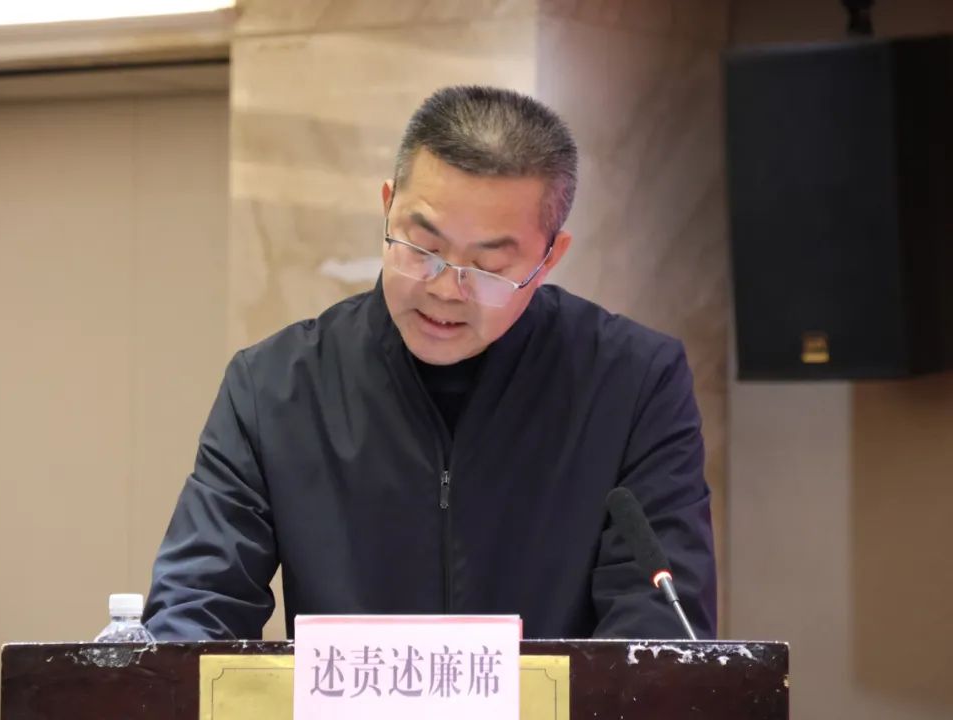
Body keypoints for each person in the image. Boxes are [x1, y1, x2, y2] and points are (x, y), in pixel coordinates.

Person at [143, 85, 717, 640]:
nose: (445, 290)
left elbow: (657, 629)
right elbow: (197, 605)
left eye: (488, 268)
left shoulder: (633, 385)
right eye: (423, 249)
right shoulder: (274, 387)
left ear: (549, 257)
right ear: (387, 206)